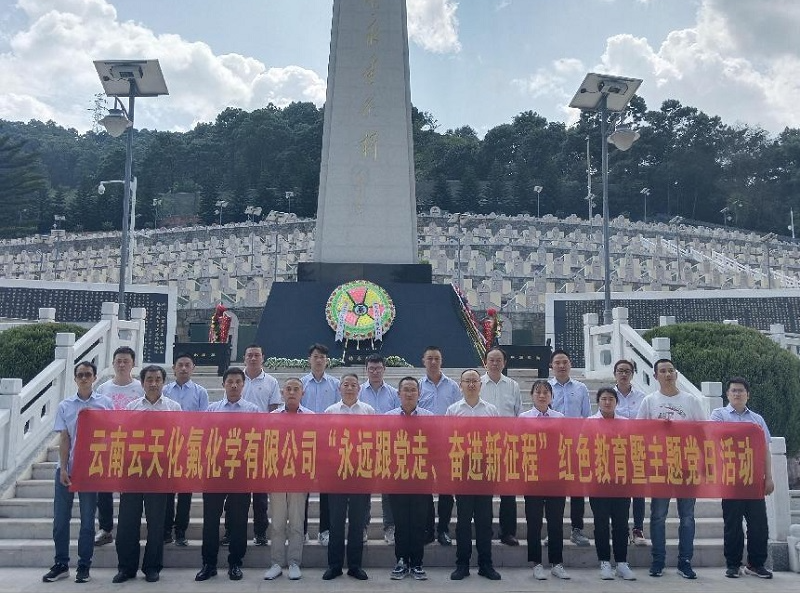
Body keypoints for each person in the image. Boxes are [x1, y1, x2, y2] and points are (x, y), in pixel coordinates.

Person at [42, 361, 113, 584]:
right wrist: (63, 468)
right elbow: (64, 438)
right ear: (75, 379)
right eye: (80, 375)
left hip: (91, 471)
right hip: (67, 469)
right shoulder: (66, 405)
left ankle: (84, 565)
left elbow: (112, 436)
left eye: (88, 374)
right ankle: (61, 563)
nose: (84, 378)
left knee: (87, 521)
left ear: (94, 378)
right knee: (60, 520)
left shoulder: (105, 404)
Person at [636, 358, 707, 579]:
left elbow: (702, 432)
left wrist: (704, 462)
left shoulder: (691, 401)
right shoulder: (649, 401)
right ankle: (658, 560)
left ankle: (685, 561)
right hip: (660, 466)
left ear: (676, 374)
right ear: (655, 376)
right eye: (663, 371)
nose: (668, 374)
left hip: (687, 466)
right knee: (658, 515)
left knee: (687, 516)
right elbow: (639, 432)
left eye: (671, 370)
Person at [112, 365, 182, 584]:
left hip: (159, 471)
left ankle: (152, 567)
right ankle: (126, 568)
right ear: (142, 383)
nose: (153, 383)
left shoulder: (173, 408)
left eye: (157, 379)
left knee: (156, 523)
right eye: (149, 379)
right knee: (127, 522)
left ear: (163, 382)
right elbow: (122, 439)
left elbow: (180, 439)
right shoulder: (131, 407)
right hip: (133, 470)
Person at [195, 367, 259, 582]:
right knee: (210, 519)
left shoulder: (252, 410)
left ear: (243, 385)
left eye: (238, 382)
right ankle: (209, 564)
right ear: (223, 384)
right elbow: (204, 439)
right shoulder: (212, 410)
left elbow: (257, 439)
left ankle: (235, 563)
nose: (234, 385)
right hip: (215, 471)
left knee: (239, 519)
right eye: (230, 381)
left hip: (241, 472)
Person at [711, 376, 774, 579]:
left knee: (759, 525)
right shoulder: (718, 415)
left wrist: (768, 477)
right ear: (727, 394)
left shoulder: (757, 420)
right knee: (733, 525)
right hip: (730, 479)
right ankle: (733, 564)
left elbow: (765, 450)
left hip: (753, 480)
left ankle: (756, 564)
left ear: (748, 395)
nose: (737, 394)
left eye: (741, 391)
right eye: (734, 390)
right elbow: (714, 440)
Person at [446, 369, 502, 582]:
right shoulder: (453, 410)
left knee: (484, 520)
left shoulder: (491, 410)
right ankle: (462, 564)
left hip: (485, 468)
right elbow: (447, 440)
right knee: (463, 520)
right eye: (467, 381)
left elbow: (498, 439)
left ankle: (485, 564)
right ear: (460, 385)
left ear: (481, 385)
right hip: (462, 469)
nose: (471, 384)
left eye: (474, 381)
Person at [321, 373, 375, 581]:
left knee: (357, 521)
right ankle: (334, 566)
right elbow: (325, 442)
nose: (350, 388)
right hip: (336, 473)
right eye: (346, 384)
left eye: (353, 385)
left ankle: (355, 565)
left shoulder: (368, 411)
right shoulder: (330, 412)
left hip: (361, 472)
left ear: (359, 389)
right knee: (336, 522)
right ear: (339, 388)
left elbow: (374, 440)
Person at [227, 344, 280, 547]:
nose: (253, 358)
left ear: (263, 358)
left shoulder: (271, 382)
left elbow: (273, 412)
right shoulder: (235, 379)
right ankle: (230, 531)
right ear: (244, 357)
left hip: (259, 443)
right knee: (233, 493)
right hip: (235, 443)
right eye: (249, 355)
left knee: (260, 494)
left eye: (257, 355)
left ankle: (260, 532)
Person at [263, 377, 314, 582]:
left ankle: (294, 562)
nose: (292, 392)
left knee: (296, 522)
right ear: (282, 393)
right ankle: (276, 563)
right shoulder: (272, 417)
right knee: (277, 522)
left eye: (296, 389)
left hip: (299, 477)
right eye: (288, 389)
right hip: (277, 476)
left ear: (303, 393)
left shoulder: (311, 417)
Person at [94, 346, 145, 547]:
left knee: (129, 490)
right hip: (108, 445)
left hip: (134, 447)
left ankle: (128, 527)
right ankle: (105, 528)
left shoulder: (141, 388)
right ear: (113, 363)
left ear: (133, 364)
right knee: (104, 488)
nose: (122, 365)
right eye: (119, 361)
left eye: (126, 361)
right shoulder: (103, 389)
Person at [520, 379, 571, 581]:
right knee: (534, 522)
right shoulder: (523, 418)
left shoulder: (560, 418)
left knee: (556, 522)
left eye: (546, 392)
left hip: (555, 477)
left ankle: (557, 563)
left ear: (551, 396)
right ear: (531, 395)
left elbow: (566, 445)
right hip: (533, 476)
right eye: (538, 392)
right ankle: (536, 563)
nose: (542, 395)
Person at [386, 376, 433, 581]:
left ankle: (417, 563)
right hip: (397, 478)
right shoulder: (388, 418)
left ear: (419, 394)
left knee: (418, 522)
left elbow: (435, 447)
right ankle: (401, 561)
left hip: (421, 478)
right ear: (398, 394)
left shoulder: (429, 418)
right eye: (405, 390)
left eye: (413, 390)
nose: (409, 393)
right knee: (401, 522)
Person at [588, 387, 637, 581]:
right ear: (598, 402)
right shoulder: (589, 423)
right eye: (604, 399)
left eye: (611, 399)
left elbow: (633, 448)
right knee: (600, 523)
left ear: (617, 402)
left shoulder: (625, 423)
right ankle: (604, 562)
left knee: (621, 523)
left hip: (621, 480)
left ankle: (622, 563)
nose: (607, 402)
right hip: (598, 480)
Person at [162, 352, 209, 546]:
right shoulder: (164, 390)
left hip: (190, 447)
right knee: (166, 492)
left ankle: (180, 531)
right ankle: (166, 530)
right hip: (167, 447)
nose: (183, 368)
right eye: (180, 365)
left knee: (185, 492)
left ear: (193, 368)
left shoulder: (200, 392)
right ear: (173, 368)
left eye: (187, 365)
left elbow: (204, 421)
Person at [418, 345, 461, 546]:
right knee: (425, 489)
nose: (433, 362)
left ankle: (443, 529)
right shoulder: (418, 386)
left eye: (437, 358)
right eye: (430, 358)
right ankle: (428, 529)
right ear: (423, 361)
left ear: (441, 361)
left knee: (446, 489)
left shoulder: (452, 387)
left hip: (447, 445)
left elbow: (459, 413)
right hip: (424, 445)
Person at [548, 348, 591, 548]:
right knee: (554, 492)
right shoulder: (546, 388)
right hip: (553, 447)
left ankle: (577, 529)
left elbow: (586, 417)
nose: (561, 366)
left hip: (575, 446)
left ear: (570, 364)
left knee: (577, 490)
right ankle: (553, 531)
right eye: (557, 362)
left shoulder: (581, 388)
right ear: (551, 366)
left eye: (565, 362)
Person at [480, 347, 522, 546]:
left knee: (508, 492)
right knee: (485, 492)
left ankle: (508, 532)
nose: (495, 363)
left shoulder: (513, 386)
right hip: (483, 445)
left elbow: (518, 414)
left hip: (507, 445)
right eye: (491, 360)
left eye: (499, 360)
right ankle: (485, 529)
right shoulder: (478, 383)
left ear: (504, 363)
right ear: (485, 362)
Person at [300, 343, 341, 546]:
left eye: (322, 357)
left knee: (327, 489)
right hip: (305, 441)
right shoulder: (300, 384)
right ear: (309, 359)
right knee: (303, 488)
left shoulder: (335, 384)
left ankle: (325, 530)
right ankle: (302, 530)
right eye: (315, 356)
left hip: (328, 442)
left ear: (327, 361)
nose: (319, 360)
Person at [358, 353, 400, 544]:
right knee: (363, 489)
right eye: (371, 369)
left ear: (384, 370)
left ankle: (390, 527)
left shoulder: (393, 393)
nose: (375, 372)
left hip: (387, 445)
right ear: (366, 370)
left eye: (378, 368)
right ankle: (362, 526)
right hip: (364, 445)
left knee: (388, 490)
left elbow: (399, 418)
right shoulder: (358, 392)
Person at [612, 358, 649, 547]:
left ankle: (638, 528)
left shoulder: (642, 397)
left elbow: (647, 422)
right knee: (620, 491)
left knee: (638, 490)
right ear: (614, 374)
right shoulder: (609, 396)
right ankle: (621, 528)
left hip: (637, 447)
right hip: (615, 449)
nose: (624, 374)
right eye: (620, 371)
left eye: (627, 371)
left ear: (633, 374)